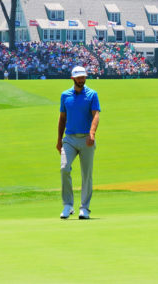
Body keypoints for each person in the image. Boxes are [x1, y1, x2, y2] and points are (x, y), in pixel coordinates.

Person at [56, 66, 101, 219]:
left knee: (86, 174)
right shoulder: (65, 95)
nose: (82, 80)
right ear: (73, 78)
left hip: (86, 139)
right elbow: (62, 118)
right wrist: (58, 140)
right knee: (64, 168)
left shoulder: (92, 94)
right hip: (69, 139)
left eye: (83, 77)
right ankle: (68, 205)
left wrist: (92, 133)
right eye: (79, 77)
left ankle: (85, 208)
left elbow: (96, 115)